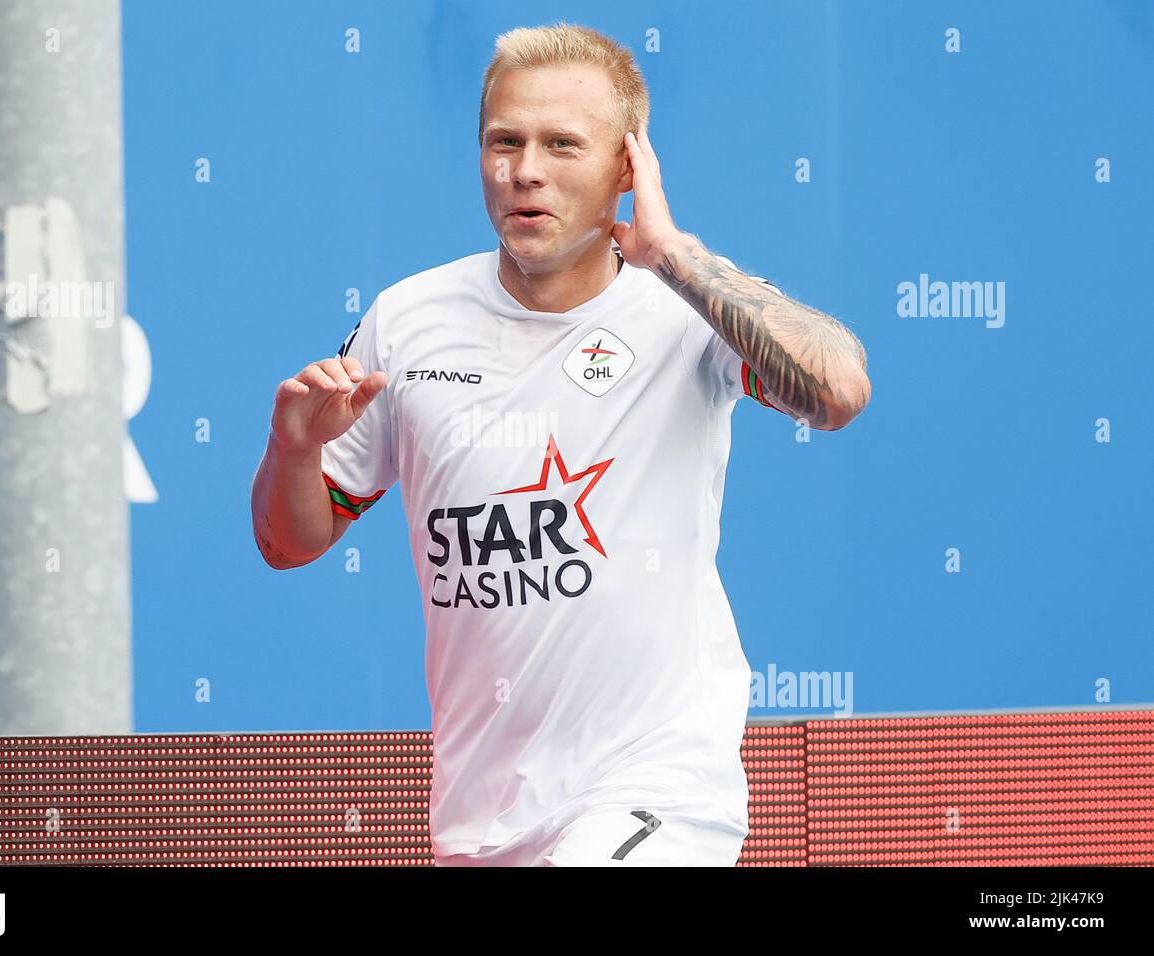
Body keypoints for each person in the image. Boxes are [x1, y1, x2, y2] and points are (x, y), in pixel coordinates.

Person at [250, 22, 870, 866]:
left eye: (561, 145)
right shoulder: (407, 320)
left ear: (627, 167)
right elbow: (290, 542)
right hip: (481, 820)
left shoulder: (682, 306)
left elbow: (837, 392)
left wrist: (676, 256)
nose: (524, 171)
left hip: (656, 791)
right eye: (504, 141)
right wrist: (292, 450)